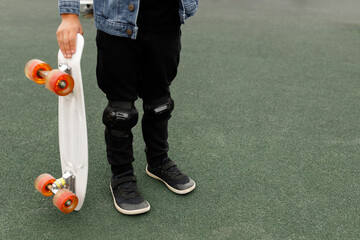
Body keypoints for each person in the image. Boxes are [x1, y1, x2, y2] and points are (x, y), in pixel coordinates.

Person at [57, 0, 198, 215]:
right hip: (117, 26)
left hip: (166, 23)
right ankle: (122, 175)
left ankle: (158, 161)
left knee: (160, 103)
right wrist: (69, 15)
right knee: (120, 112)